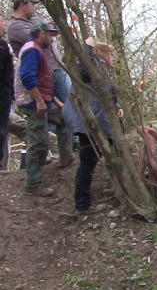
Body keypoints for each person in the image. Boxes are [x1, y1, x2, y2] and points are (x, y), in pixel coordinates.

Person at [63, 41, 122, 215]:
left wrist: (117, 106)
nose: (113, 58)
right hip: (89, 124)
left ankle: (87, 201)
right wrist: (111, 131)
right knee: (89, 161)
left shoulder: (95, 70)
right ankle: (82, 204)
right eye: (111, 54)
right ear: (102, 55)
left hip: (87, 122)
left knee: (97, 159)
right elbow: (99, 101)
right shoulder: (92, 71)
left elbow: (107, 96)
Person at [15, 21, 74, 194]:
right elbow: (28, 78)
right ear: (41, 34)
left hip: (43, 100)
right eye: (50, 35)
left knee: (64, 119)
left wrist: (55, 102)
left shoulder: (38, 50)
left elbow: (43, 82)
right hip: (32, 103)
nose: (52, 39)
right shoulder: (32, 50)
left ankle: (66, 158)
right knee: (39, 143)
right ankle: (32, 184)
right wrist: (40, 101)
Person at [7, 0, 70, 103]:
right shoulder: (14, 26)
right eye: (32, 4)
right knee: (63, 106)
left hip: (58, 68)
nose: (34, 8)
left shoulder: (36, 20)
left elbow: (51, 30)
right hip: (41, 72)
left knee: (72, 103)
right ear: (23, 4)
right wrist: (48, 32)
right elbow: (39, 38)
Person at [0, 18, 14, 170]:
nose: (5, 25)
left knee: (4, 128)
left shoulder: (4, 44)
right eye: (2, 22)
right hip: (2, 92)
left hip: (5, 92)